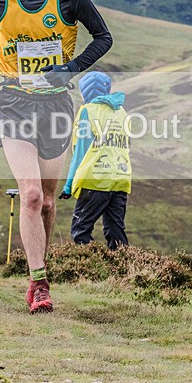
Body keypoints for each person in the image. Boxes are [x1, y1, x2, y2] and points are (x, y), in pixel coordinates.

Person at [0, 0, 113, 313]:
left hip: (55, 105)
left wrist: (70, 69)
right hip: (14, 100)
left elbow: (104, 37)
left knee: (49, 202)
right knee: (31, 195)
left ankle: (40, 266)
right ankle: (39, 282)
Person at [60, 72, 131, 250]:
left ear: (85, 92)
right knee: (116, 231)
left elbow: (81, 152)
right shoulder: (122, 112)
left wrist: (68, 186)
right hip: (120, 178)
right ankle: (125, 269)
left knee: (80, 230)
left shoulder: (87, 111)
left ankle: (87, 268)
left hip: (95, 179)